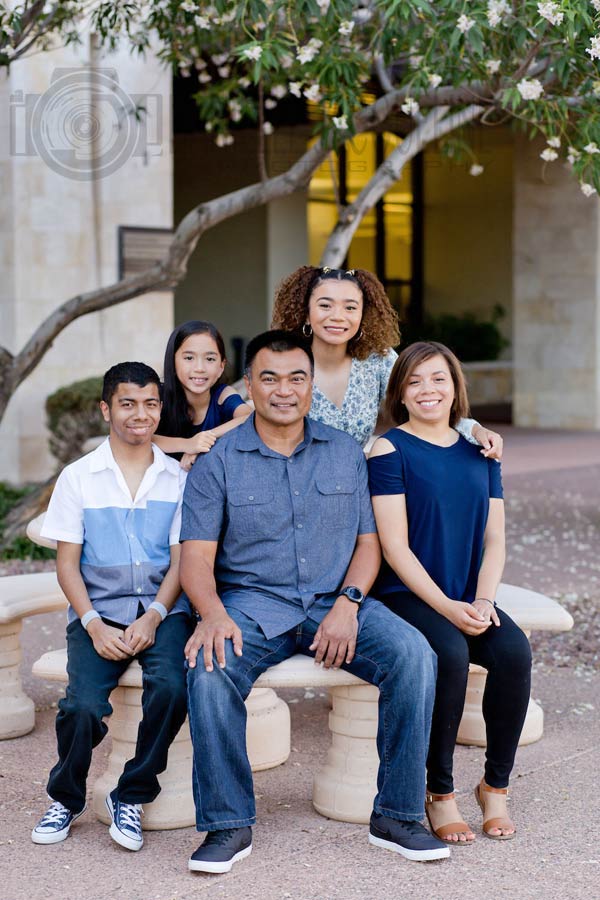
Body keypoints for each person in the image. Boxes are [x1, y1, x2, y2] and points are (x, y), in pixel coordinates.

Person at [180, 330, 451, 875]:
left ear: (310, 386)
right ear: (250, 385)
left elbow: (369, 546)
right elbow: (195, 560)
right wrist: (211, 615)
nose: (284, 390)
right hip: (253, 608)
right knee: (209, 669)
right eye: (270, 378)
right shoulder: (220, 460)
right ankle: (228, 823)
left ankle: (397, 816)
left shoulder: (345, 453)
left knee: (415, 655)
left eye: (296, 378)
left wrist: (350, 603)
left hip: (336, 600)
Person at [367, 341, 532, 845]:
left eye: (437, 378)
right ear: (400, 393)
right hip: (406, 594)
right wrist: (446, 608)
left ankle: (494, 786)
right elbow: (394, 547)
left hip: (467, 594)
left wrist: (483, 601)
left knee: (514, 652)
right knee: (451, 653)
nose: (427, 390)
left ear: (456, 386)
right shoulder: (388, 449)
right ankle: (438, 792)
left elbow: (495, 538)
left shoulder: (482, 453)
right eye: (414, 381)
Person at [32, 362, 193, 851]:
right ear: (106, 409)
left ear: (159, 408)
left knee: (171, 687)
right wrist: (92, 623)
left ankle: (132, 794)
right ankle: (67, 796)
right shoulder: (79, 477)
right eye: (127, 403)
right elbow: (67, 565)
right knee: (81, 706)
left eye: (149, 403)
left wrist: (156, 615)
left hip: (163, 612)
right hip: (96, 613)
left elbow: (182, 561)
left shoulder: (177, 478)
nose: (138, 414)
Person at [271, 265, 503, 455]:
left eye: (350, 307)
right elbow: (258, 417)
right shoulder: (283, 362)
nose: (338, 316)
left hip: (357, 489)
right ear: (306, 313)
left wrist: (475, 429)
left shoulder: (377, 361)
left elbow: (423, 402)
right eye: (325, 305)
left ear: (363, 316)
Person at [154, 320, 252, 470]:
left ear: (221, 367)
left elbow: (248, 417)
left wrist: (204, 441)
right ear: (173, 362)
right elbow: (139, 437)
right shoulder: (157, 396)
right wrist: (188, 445)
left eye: (210, 359)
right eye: (189, 358)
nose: (199, 368)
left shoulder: (222, 395)